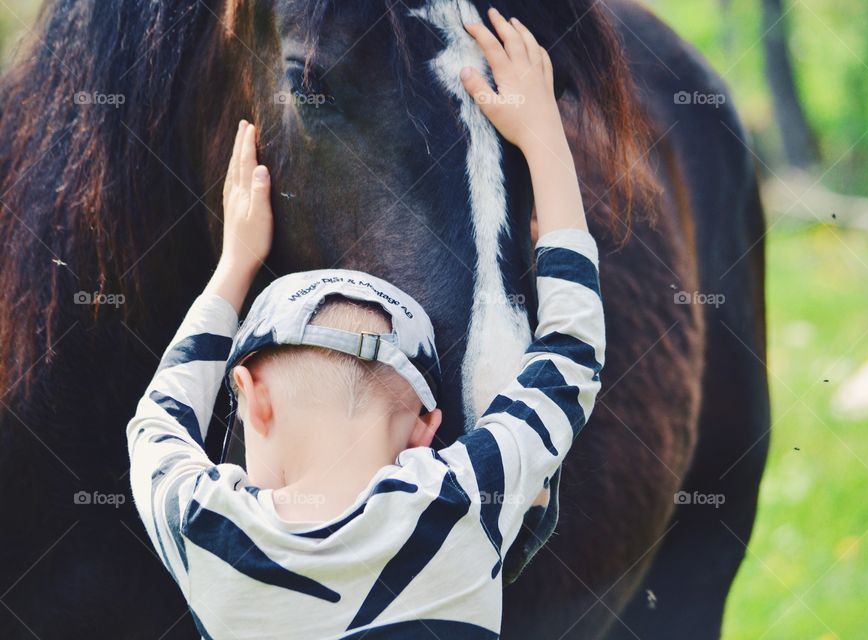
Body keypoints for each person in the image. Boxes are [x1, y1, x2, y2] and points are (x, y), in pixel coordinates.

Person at [127, 9, 605, 638]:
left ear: (252, 396)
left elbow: (158, 416)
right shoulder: (463, 507)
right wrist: (544, 136)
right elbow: (572, 348)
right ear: (425, 432)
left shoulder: (202, 527)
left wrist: (234, 264)